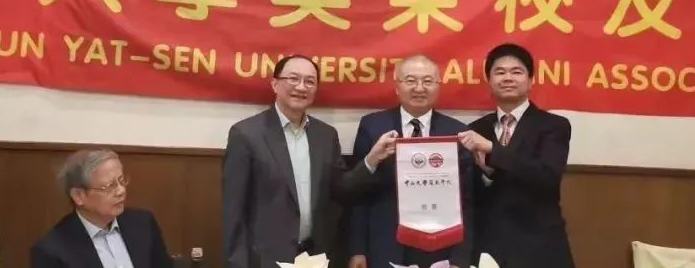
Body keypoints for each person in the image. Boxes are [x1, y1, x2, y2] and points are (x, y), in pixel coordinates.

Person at [222, 54, 398, 268]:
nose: (301, 87)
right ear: (275, 84)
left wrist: (372, 159)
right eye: (293, 78)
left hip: (316, 257)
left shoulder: (325, 135)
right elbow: (233, 212)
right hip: (265, 259)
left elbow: (341, 189)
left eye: (309, 81)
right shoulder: (246, 134)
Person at [348, 55, 473, 268]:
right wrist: (357, 249)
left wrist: (459, 258)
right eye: (411, 80)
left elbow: (466, 200)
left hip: (439, 248)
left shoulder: (457, 132)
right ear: (397, 87)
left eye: (427, 81)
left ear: (438, 86)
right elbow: (358, 194)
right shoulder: (372, 126)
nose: (419, 88)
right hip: (384, 244)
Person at [457, 43, 574, 268]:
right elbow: (470, 193)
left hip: (540, 247)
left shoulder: (554, 125)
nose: (508, 78)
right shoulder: (475, 129)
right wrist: (487, 175)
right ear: (489, 81)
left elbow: (547, 176)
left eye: (516, 72)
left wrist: (493, 150)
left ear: (531, 81)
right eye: (500, 72)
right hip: (489, 247)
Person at [30, 149, 172, 268]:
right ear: (79, 196)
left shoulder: (143, 224)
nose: (121, 191)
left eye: (121, 180)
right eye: (109, 186)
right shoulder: (52, 251)